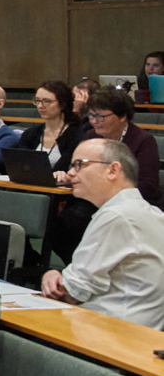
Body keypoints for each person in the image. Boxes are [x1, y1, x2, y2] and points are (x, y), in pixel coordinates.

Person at [41, 140, 164, 329]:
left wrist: (50, 275)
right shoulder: (150, 212)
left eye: (80, 164)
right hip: (132, 328)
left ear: (113, 170)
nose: (71, 173)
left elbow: (72, 293)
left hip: (107, 332)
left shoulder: (116, 215)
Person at [68, 89, 162, 208]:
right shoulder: (91, 136)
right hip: (94, 199)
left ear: (122, 116)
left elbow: (148, 186)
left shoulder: (143, 140)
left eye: (101, 116)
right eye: (91, 115)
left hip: (132, 204)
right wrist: (67, 175)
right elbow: (77, 167)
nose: (94, 121)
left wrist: (106, 189)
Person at [16, 80, 81, 177]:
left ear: (63, 104)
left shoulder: (76, 135)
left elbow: (64, 167)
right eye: (37, 101)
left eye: (47, 101)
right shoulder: (30, 134)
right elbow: (21, 165)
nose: (40, 106)